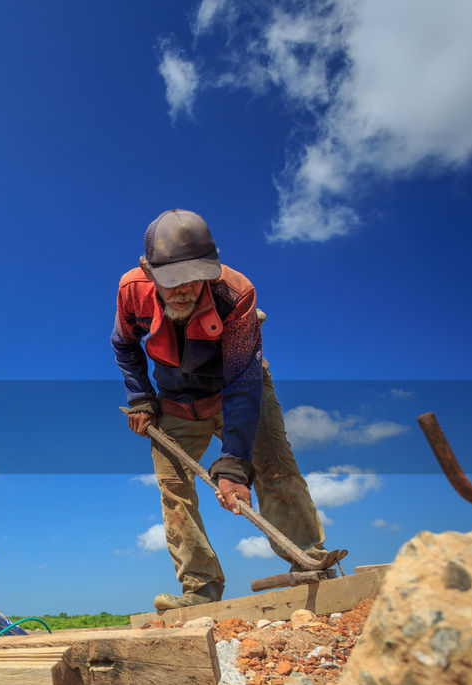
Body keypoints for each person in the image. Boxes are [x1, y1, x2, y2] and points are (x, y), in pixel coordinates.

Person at [112, 209, 333, 610]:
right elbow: (125, 346)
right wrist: (141, 397)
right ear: (149, 270)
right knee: (173, 487)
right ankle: (201, 589)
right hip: (176, 402)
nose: (183, 290)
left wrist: (233, 464)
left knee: (275, 467)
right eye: (171, 281)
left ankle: (311, 564)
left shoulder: (236, 295)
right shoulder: (131, 290)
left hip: (239, 388)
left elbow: (243, 383)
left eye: (194, 279)